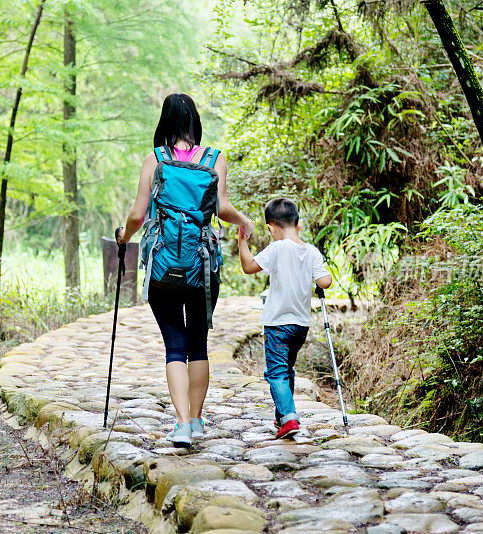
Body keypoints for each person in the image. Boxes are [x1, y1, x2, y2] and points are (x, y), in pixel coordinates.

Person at [117, 93, 254, 447]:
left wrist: (124, 238)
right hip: (202, 265)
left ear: (165, 122)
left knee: (174, 345)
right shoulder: (214, 159)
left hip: (163, 267)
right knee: (199, 344)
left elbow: (137, 215)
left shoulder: (155, 159)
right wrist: (245, 221)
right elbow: (221, 208)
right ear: (195, 121)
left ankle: (179, 425)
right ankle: (194, 421)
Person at [237, 197, 332, 439]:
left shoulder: (277, 248)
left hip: (278, 323)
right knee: (286, 369)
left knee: (276, 372)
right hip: (301, 326)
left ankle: (289, 417)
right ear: (299, 224)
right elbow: (325, 282)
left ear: (271, 228)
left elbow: (248, 267)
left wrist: (242, 242)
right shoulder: (312, 252)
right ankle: (282, 416)